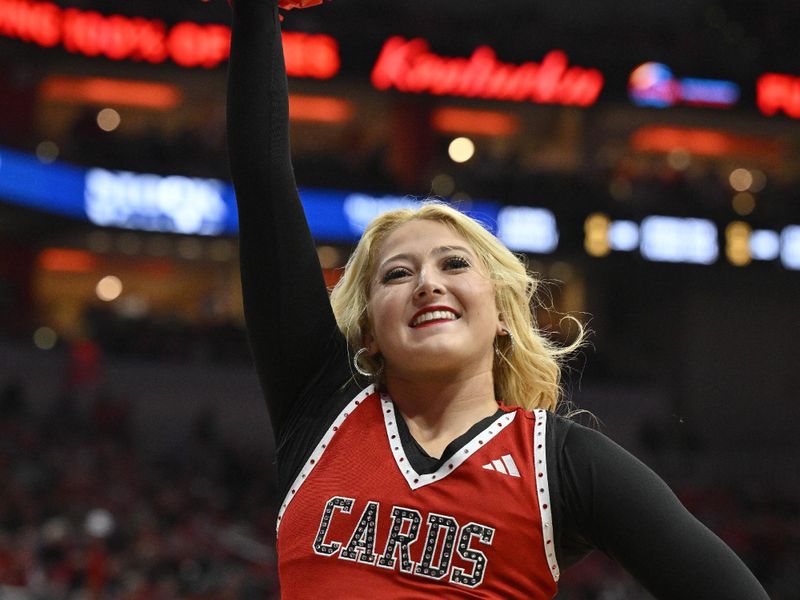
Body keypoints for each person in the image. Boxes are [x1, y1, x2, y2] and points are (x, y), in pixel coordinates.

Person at [226, 1, 771, 597]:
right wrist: (257, 14)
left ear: (505, 316)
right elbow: (262, 180)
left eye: (454, 264)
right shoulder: (321, 406)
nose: (427, 283)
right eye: (396, 274)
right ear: (369, 332)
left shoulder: (561, 462)